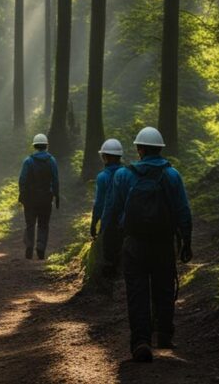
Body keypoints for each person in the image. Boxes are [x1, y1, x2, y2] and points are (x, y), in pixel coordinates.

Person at [101, 126, 192, 363]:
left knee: (137, 293)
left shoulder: (123, 175)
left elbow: (111, 211)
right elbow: (183, 211)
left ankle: (140, 341)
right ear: (160, 149)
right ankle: (163, 335)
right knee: (164, 288)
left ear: (139, 149)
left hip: (134, 243)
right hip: (163, 243)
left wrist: (109, 248)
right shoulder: (172, 175)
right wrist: (187, 241)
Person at [18, 133, 60, 260]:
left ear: (35, 146)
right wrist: (56, 195)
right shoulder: (52, 161)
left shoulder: (28, 161)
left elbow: (22, 180)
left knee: (30, 223)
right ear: (46, 146)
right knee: (43, 224)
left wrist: (22, 194)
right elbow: (55, 180)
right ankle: (41, 248)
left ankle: (29, 246)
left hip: (30, 199)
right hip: (46, 198)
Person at [91, 139, 124, 282]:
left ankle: (109, 282)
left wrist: (94, 222)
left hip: (108, 221)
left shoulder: (102, 177)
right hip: (125, 219)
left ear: (105, 157)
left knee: (108, 252)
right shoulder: (127, 173)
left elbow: (99, 203)